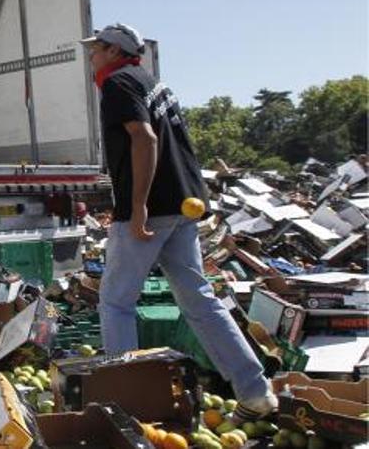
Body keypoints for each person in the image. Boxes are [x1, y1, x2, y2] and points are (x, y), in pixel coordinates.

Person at [84, 22, 276, 423]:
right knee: (198, 299)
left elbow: (146, 139)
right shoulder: (155, 84)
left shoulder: (119, 84)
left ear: (115, 52)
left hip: (150, 208)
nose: (91, 57)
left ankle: (125, 407)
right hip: (182, 204)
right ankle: (256, 393)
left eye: (96, 49)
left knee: (116, 303)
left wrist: (137, 207)